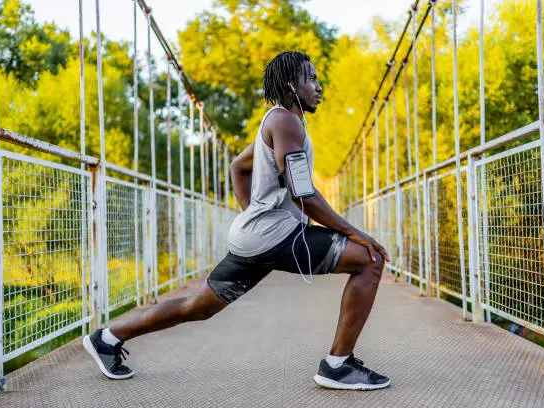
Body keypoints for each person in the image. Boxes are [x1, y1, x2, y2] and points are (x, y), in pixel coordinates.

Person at [83, 51, 391, 391]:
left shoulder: (276, 122)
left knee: (198, 307)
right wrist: (355, 233)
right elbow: (303, 194)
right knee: (369, 259)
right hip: (273, 236)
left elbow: (238, 166)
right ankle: (338, 365)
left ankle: (107, 338)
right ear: (292, 85)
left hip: (258, 237)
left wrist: (251, 214)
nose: (319, 87)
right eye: (312, 79)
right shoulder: (286, 122)